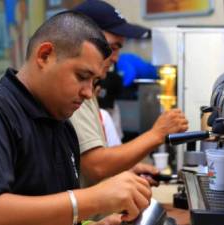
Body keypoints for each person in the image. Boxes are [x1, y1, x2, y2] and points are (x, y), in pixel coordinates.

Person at [0, 11, 151, 225]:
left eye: (94, 81)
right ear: (44, 56)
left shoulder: (62, 125)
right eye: (82, 77)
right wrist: (94, 199)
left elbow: (53, 213)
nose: (88, 92)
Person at [70, 0, 189, 185]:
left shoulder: (88, 90)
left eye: (119, 48)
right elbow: (95, 166)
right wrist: (157, 133)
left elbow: (87, 166)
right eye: (112, 47)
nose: (116, 58)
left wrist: (125, 170)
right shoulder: (74, 92)